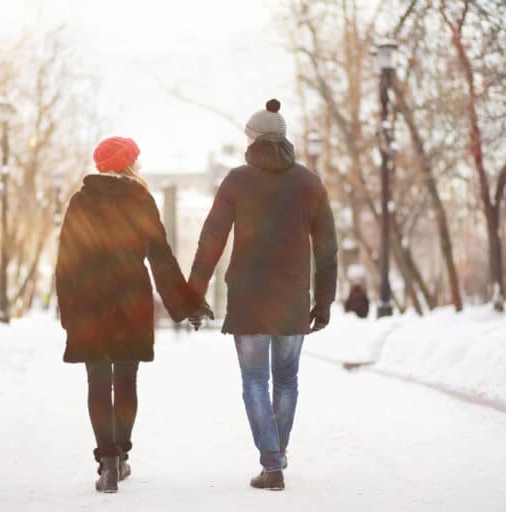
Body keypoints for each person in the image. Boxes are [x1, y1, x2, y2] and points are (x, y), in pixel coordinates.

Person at [187, 99, 338, 490]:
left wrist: (194, 291)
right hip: (291, 298)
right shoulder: (309, 182)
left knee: (255, 380)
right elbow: (327, 249)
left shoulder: (238, 180)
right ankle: (277, 453)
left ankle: (272, 464)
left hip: (249, 298)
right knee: (287, 379)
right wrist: (323, 301)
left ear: (253, 139)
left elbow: (211, 240)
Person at [55, 136, 212, 494]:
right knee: (126, 380)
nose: (140, 166)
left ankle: (106, 463)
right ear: (126, 164)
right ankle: (122, 456)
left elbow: (65, 262)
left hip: (89, 304)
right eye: (136, 160)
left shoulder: (81, 202)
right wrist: (186, 304)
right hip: (130, 303)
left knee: (97, 380)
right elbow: (161, 258)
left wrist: (68, 313)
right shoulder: (140, 200)